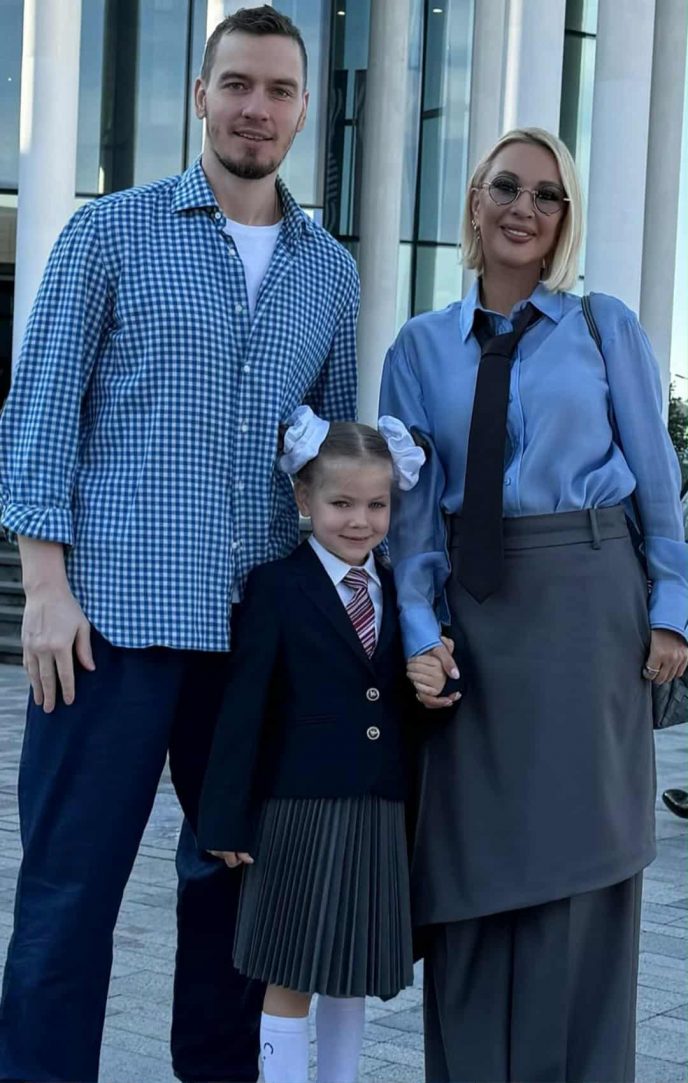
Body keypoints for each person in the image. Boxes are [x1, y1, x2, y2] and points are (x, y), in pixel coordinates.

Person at [0, 8, 359, 1082]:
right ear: (200, 96)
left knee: (232, 896)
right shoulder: (110, 233)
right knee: (68, 893)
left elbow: (332, 462)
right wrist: (45, 587)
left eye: (279, 90)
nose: (257, 107)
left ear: (304, 111)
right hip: (107, 627)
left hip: (252, 640)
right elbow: (40, 411)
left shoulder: (329, 274)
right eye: (237, 84)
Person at [379, 126, 688, 1082]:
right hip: (473, 633)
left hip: (592, 615)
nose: (525, 208)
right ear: (475, 199)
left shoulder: (606, 329)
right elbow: (412, 521)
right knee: (470, 865)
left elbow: (657, 480)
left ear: (565, 219)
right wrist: (421, 635)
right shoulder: (418, 347)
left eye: (547, 196)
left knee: (585, 870)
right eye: (507, 187)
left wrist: (673, 609)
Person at [197, 408, 437, 1083]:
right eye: (341, 503)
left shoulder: (403, 592)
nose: (360, 520)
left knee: (351, 969)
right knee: (291, 967)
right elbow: (242, 710)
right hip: (296, 809)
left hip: (378, 806)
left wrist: (440, 680)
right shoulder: (276, 587)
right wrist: (224, 817)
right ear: (304, 498)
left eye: (376, 505)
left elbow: (414, 688)